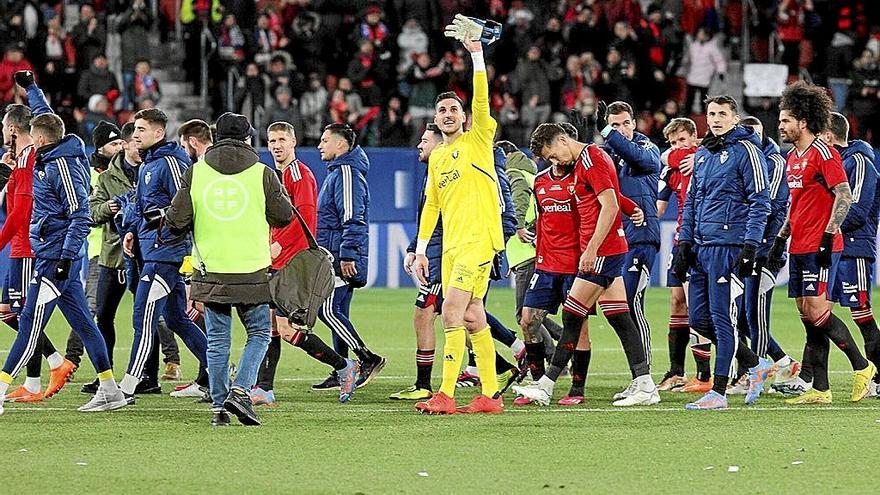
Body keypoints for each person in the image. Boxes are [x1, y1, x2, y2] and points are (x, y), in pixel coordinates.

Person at [0, 73, 125, 414]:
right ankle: (111, 390)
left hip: (56, 257)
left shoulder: (63, 166)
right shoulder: (54, 149)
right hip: (53, 254)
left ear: (38, 141)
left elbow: (80, 215)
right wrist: (33, 88)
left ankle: (0, 389)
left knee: (28, 323)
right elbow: (44, 116)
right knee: (85, 323)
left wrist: (65, 258)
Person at [513, 123, 658, 407]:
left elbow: (611, 205)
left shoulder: (592, 158)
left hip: (602, 249)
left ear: (564, 140)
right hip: (604, 248)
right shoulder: (582, 162)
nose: (554, 161)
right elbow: (607, 199)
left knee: (572, 315)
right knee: (619, 316)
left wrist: (591, 250)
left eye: (553, 154)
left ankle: (546, 385)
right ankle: (644, 382)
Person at [165, 112, 293, 426]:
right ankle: (241, 391)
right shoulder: (263, 173)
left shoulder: (196, 172)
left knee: (218, 341)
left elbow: (176, 221)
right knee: (260, 334)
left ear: (218, 137)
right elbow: (284, 216)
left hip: (211, 269)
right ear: (248, 138)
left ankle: (220, 407)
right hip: (252, 269)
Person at [412, 26, 506, 415]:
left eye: (454, 110)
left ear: (464, 118)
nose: (448, 115)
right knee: (471, 315)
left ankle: (446, 394)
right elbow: (431, 207)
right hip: (452, 246)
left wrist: (476, 55)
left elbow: (482, 99)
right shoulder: (436, 158)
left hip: (479, 240)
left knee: (449, 311)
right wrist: (420, 251)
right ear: (436, 119)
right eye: (442, 111)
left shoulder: (478, 139)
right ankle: (491, 395)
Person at [771, 96, 877, 404]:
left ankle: (862, 367)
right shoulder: (793, 157)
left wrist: (829, 236)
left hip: (821, 244)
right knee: (807, 313)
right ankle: (820, 388)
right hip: (799, 244)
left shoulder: (824, 152)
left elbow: (843, 194)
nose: (781, 126)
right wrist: (781, 238)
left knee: (818, 312)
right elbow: (797, 203)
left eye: (785, 121)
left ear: (802, 122)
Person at [672, 95, 774, 410]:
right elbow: (692, 201)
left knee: (719, 317)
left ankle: (718, 391)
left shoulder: (747, 151)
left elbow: (761, 201)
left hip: (726, 245)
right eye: (711, 113)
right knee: (699, 321)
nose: (715, 119)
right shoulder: (703, 154)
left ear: (734, 118)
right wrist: (684, 242)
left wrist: (750, 245)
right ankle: (756, 365)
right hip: (700, 245)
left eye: (722, 114)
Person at [252, 121, 358, 406]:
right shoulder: (277, 175)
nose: (276, 145)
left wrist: (278, 245)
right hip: (276, 261)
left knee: (285, 330)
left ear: (294, 142)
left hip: (291, 263)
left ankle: (343, 366)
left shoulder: (299, 176)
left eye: (282, 139)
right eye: (272, 140)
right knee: (272, 326)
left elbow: (305, 219)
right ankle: (264, 387)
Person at [117, 108, 209, 402]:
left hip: (164, 253)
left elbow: (186, 205)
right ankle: (217, 370)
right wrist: (132, 229)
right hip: (152, 248)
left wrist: (162, 227)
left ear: (159, 133)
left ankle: (127, 387)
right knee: (177, 318)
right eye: (135, 130)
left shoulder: (169, 162)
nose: (135, 135)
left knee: (143, 317)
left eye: (142, 129)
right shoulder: (149, 163)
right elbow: (142, 204)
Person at [0, 77, 75, 404]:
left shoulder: (32, 159)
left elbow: (21, 211)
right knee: (10, 311)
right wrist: (30, 87)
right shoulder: (22, 158)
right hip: (25, 247)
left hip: (31, 248)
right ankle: (38, 377)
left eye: (4, 126)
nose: (1, 131)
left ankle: (54, 366)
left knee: (22, 316)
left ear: (14, 130)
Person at [312, 123, 385, 391]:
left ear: (340, 145)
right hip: (336, 251)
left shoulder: (346, 172)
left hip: (338, 255)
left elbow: (353, 216)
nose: (320, 145)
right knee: (338, 311)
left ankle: (366, 359)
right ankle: (341, 368)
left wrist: (347, 254)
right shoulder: (340, 172)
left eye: (325, 140)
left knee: (326, 310)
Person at [733, 116, 800, 394]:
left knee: (754, 314)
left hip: (767, 251)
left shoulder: (774, 163)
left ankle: (752, 376)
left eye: (757, 133)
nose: (753, 138)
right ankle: (784, 361)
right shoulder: (748, 160)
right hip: (749, 247)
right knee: (740, 317)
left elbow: (767, 205)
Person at [599, 101, 661, 371]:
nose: (621, 129)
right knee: (619, 309)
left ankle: (644, 373)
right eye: (614, 125)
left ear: (634, 123)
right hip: (616, 241)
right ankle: (638, 373)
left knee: (632, 303)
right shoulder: (605, 155)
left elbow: (642, 160)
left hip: (641, 236)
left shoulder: (647, 148)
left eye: (625, 123)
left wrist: (606, 133)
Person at [822, 112, 880, 397]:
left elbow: (856, 210)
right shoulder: (838, 163)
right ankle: (811, 379)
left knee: (861, 314)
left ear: (829, 136)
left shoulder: (859, 161)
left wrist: (823, 224)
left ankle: (878, 377)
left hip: (854, 247)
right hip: (835, 246)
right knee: (819, 313)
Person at [655, 117, 712, 392]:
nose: (678, 146)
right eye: (673, 142)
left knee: (698, 306)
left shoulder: (705, 157)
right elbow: (658, 207)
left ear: (694, 136)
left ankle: (705, 375)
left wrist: (682, 154)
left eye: (682, 139)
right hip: (680, 240)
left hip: (700, 240)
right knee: (677, 302)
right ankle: (677, 371)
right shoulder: (674, 168)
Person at [391, 124, 444, 401]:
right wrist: (415, 248)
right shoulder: (431, 173)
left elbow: (445, 223)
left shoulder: (446, 172)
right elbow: (428, 220)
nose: (419, 146)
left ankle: (424, 385)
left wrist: (428, 254)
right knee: (466, 316)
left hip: (445, 257)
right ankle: (504, 365)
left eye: (424, 141)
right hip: (436, 253)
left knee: (425, 314)